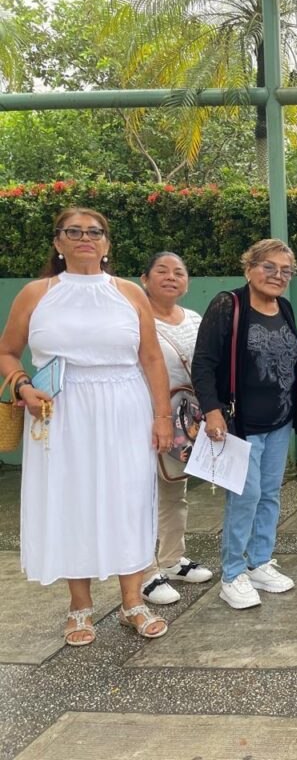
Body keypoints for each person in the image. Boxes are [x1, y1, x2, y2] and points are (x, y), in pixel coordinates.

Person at [0, 207, 172, 644]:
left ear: (107, 243)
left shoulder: (129, 293)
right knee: (70, 498)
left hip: (124, 407)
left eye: (94, 232)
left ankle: (132, 602)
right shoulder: (36, 293)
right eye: (73, 231)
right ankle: (80, 607)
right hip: (60, 410)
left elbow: (152, 358)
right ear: (57, 241)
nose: (85, 238)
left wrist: (162, 416)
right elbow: (7, 352)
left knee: (129, 499)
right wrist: (22, 386)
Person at [192, 239, 297, 610]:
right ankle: (232, 574)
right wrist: (212, 410)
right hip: (241, 424)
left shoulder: (283, 307)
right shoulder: (229, 305)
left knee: (271, 493)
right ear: (249, 268)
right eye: (269, 267)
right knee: (246, 496)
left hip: (279, 420)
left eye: (286, 270)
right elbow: (203, 363)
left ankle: (259, 562)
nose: (278, 276)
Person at [139, 252, 214, 605]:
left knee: (175, 489)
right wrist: (158, 416)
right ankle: (144, 571)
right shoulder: (135, 318)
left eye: (179, 272)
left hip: (186, 420)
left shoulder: (194, 319)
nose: (171, 277)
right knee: (140, 495)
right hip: (144, 417)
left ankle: (171, 559)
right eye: (162, 271)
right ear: (144, 279)